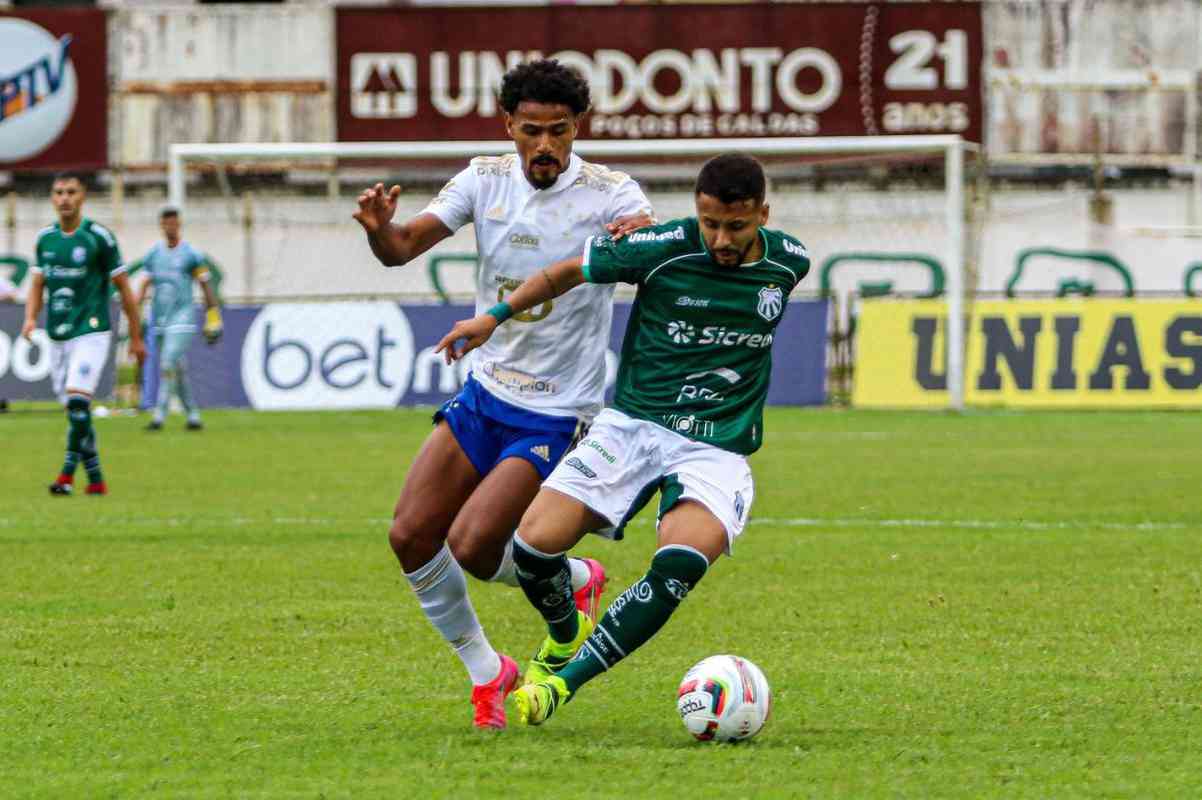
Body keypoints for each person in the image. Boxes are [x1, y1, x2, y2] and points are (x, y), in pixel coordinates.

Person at [436, 153, 810, 726]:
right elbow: (564, 272)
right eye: (710, 223)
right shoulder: (659, 248)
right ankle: (565, 630)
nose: (721, 239)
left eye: (736, 226)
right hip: (633, 427)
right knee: (534, 549)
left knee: (679, 565)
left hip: (716, 447)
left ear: (764, 213)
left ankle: (560, 684)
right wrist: (496, 315)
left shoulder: (790, 261)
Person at [351, 59, 654, 729]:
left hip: (557, 406)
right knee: (409, 534)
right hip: (486, 392)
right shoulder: (482, 179)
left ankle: (567, 584)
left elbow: (644, 243)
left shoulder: (612, 194)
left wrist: (643, 243)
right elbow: (402, 249)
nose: (545, 146)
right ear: (508, 127)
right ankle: (490, 672)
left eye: (559, 131)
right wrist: (379, 228)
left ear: (579, 128)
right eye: (531, 131)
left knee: (475, 546)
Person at [22, 172, 147, 496]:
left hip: (92, 331)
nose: (64, 198)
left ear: (83, 197)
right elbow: (37, 284)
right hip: (58, 333)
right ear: (52, 198)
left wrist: (135, 336)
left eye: (71, 192)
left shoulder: (98, 238)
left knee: (78, 404)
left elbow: (125, 290)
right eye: (58, 192)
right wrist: (30, 319)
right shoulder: (45, 239)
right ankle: (96, 478)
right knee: (76, 414)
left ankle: (65, 476)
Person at [138, 207, 222, 431]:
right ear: (161, 225)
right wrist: (135, 311)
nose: (170, 227)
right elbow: (144, 284)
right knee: (178, 368)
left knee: (166, 362)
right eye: (166, 223)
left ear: (179, 224)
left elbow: (205, 285)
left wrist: (213, 317)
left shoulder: (191, 254)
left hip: (183, 317)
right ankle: (193, 415)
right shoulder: (154, 254)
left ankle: (159, 415)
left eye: (174, 223)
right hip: (161, 319)